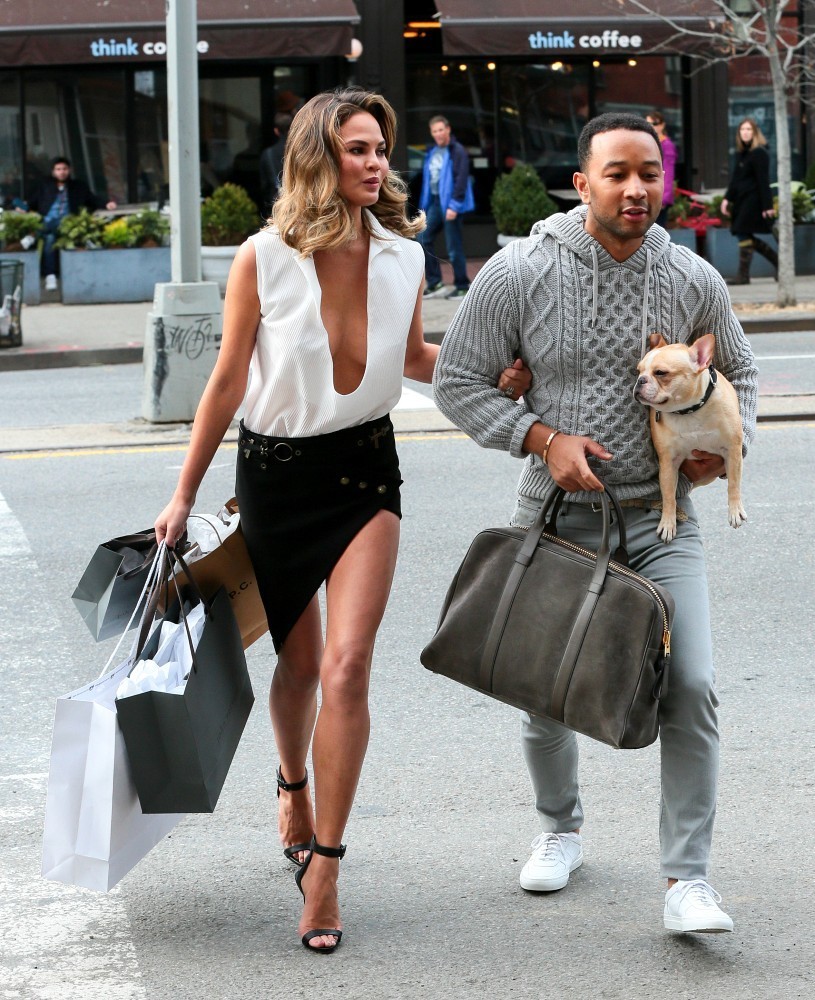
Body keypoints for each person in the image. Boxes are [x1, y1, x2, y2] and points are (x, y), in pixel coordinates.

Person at [154, 88, 529, 954]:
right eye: (357, 149)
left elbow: (414, 357)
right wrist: (181, 493)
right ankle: (291, 783)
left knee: (348, 667)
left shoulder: (403, 254)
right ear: (317, 158)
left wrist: (491, 377)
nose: (375, 163)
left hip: (365, 472)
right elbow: (226, 380)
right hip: (276, 477)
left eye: (380, 149)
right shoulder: (262, 257)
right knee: (298, 667)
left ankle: (325, 865)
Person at [433, 112, 758, 934]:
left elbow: (742, 374)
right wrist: (541, 438)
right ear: (581, 184)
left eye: (648, 172)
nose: (635, 188)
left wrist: (722, 449)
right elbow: (457, 381)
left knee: (690, 685)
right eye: (616, 173)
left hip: (658, 519)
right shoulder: (518, 271)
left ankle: (687, 880)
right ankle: (558, 828)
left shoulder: (693, 279)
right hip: (552, 517)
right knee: (545, 690)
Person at [26, 156, 116, 291]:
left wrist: (106, 203)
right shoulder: (45, 186)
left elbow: (92, 199)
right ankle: (51, 276)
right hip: (48, 223)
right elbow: (32, 202)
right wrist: (22, 207)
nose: (62, 172)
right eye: (58, 169)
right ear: (53, 171)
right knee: (50, 239)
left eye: (64, 169)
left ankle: (34, 236)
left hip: (68, 224)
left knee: (54, 226)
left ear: (69, 170)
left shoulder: (78, 186)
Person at [417, 115, 472, 299]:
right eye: (434, 131)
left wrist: (454, 206)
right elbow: (428, 181)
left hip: (450, 204)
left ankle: (462, 286)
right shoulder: (432, 152)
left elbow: (461, 180)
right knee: (422, 238)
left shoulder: (458, 151)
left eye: (441, 129)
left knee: (453, 248)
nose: (438, 134)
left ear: (448, 129)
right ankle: (435, 283)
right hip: (435, 202)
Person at [721, 117, 777, 284]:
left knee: (741, 231)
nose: (745, 133)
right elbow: (736, 179)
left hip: (753, 200)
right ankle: (775, 264)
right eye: (742, 129)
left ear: (755, 132)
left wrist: (767, 205)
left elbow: (763, 180)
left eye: (748, 129)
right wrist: (727, 198)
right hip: (741, 200)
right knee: (743, 233)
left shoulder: (759, 153)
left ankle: (744, 275)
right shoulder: (742, 154)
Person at [258, 111, 294, 214]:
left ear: (276, 131)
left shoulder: (268, 154)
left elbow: (264, 186)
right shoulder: (300, 151)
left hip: (276, 206)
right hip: (298, 205)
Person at [645, 111, 676, 227]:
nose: (651, 127)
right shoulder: (648, 142)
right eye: (648, 124)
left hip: (659, 196)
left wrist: (664, 198)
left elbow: (668, 172)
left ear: (662, 125)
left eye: (655, 123)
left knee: (656, 230)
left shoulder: (666, 145)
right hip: (647, 194)